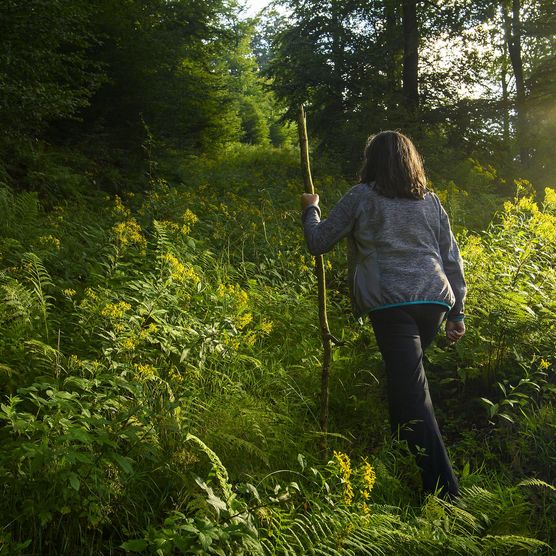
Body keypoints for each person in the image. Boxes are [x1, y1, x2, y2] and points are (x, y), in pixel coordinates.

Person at [301, 130, 466, 499]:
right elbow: (452, 259)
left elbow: (318, 241)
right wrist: (457, 313)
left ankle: (446, 494)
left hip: (392, 303)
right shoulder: (430, 202)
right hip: (434, 301)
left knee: (412, 391)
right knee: (404, 384)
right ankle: (403, 460)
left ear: (371, 160)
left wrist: (311, 207)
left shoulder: (361, 197)